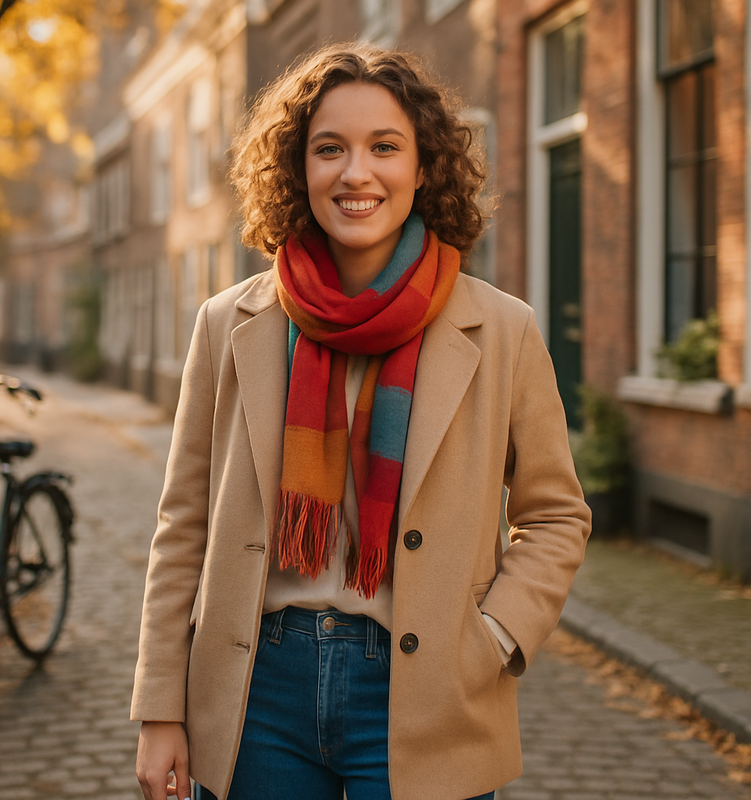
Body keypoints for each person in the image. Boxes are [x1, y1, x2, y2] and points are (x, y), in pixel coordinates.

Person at [132, 42, 591, 800]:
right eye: (329, 149)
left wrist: (494, 637)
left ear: (423, 166)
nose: (356, 174)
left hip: (427, 689)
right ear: (297, 168)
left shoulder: (502, 330)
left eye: (385, 147)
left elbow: (555, 516)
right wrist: (159, 708)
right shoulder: (229, 324)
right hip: (257, 693)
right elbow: (183, 523)